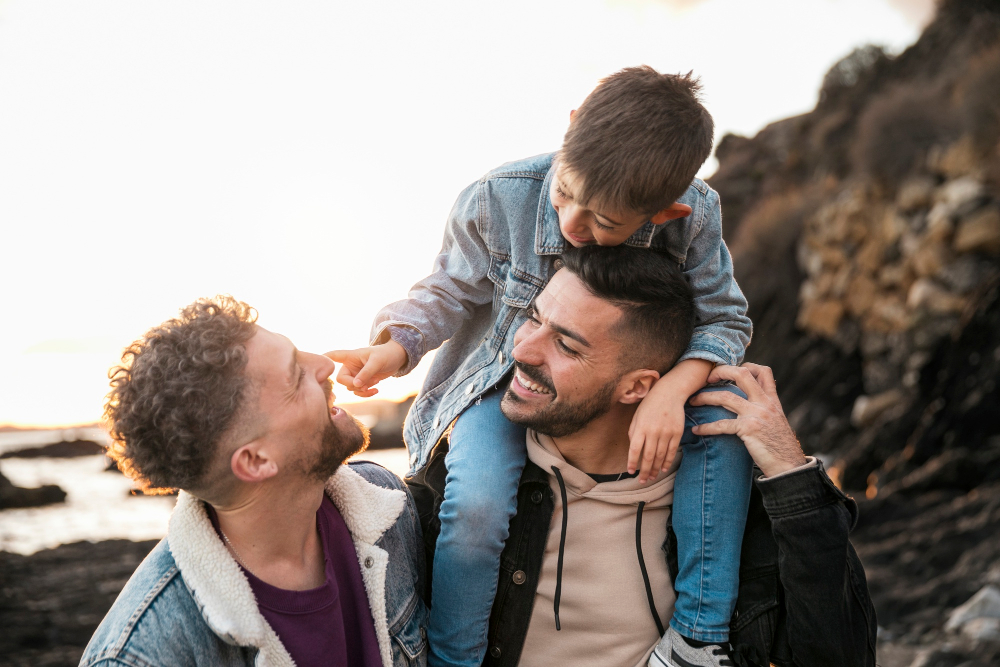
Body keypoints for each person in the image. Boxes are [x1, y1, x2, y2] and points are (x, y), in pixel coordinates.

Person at [331, 66, 753, 666]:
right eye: (565, 192)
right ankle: (454, 659)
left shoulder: (696, 218)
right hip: (503, 382)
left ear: (664, 213)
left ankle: (698, 637)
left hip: (641, 379)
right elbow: (448, 291)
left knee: (722, 427)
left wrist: (674, 391)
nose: (572, 224)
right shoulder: (498, 194)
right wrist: (394, 348)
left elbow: (725, 321)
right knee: (475, 505)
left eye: (604, 223)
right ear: (573, 125)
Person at [408, 246, 877, 667]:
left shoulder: (725, 510)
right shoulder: (454, 494)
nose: (523, 349)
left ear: (638, 387)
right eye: (532, 317)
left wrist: (789, 470)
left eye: (566, 345)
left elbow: (842, 656)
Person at [80, 297, 428, 667]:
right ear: (255, 461)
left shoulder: (387, 504)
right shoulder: (142, 656)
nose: (325, 365)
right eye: (295, 376)